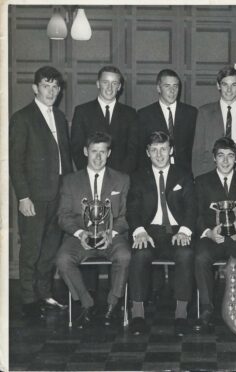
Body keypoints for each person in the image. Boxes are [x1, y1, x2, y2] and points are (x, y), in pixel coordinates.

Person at [9, 66, 73, 319]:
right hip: (34, 198)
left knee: (49, 250)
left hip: (58, 195)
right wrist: (23, 197)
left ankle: (44, 293)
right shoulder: (22, 118)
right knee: (31, 249)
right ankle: (28, 298)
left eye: (55, 86)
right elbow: (15, 162)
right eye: (46, 86)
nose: (51, 91)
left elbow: (64, 158)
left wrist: (68, 193)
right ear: (35, 88)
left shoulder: (59, 117)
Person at [55, 132, 131, 328]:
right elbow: (63, 216)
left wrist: (111, 233)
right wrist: (81, 234)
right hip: (79, 236)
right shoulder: (70, 181)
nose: (98, 157)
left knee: (124, 256)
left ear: (109, 153)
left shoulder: (122, 180)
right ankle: (86, 303)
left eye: (103, 152)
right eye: (94, 151)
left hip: (110, 235)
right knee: (63, 260)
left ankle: (112, 304)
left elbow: (126, 216)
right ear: (85, 152)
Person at [126, 131, 196, 336]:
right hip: (150, 233)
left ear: (171, 150)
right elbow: (133, 209)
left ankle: (181, 314)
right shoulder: (138, 177)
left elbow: (192, 207)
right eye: (154, 150)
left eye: (163, 149)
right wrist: (139, 232)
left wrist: (184, 231)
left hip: (177, 232)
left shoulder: (183, 174)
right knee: (139, 254)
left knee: (185, 254)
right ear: (147, 153)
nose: (159, 155)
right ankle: (137, 315)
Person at [193, 137, 236, 333]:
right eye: (221, 156)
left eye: (231, 156)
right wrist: (208, 232)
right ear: (214, 158)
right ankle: (206, 308)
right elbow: (196, 213)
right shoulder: (202, 181)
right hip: (213, 238)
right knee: (201, 256)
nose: (226, 161)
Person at [192, 65, 236, 178]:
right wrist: (199, 178)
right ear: (218, 85)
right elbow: (198, 151)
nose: (229, 90)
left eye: (234, 85)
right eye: (225, 84)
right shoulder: (205, 112)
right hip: (211, 171)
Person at [71, 65, 139, 174]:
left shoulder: (130, 114)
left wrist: (120, 178)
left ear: (119, 87)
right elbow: (77, 149)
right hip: (91, 177)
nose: (109, 87)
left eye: (114, 83)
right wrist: (91, 174)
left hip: (121, 179)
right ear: (98, 84)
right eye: (105, 82)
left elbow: (133, 151)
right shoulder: (82, 111)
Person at [137, 69, 198, 172]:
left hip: (184, 172)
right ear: (158, 88)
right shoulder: (144, 114)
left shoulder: (191, 113)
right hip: (154, 172)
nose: (172, 91)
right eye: (167, 86)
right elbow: (140, 151)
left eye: (175, 86)